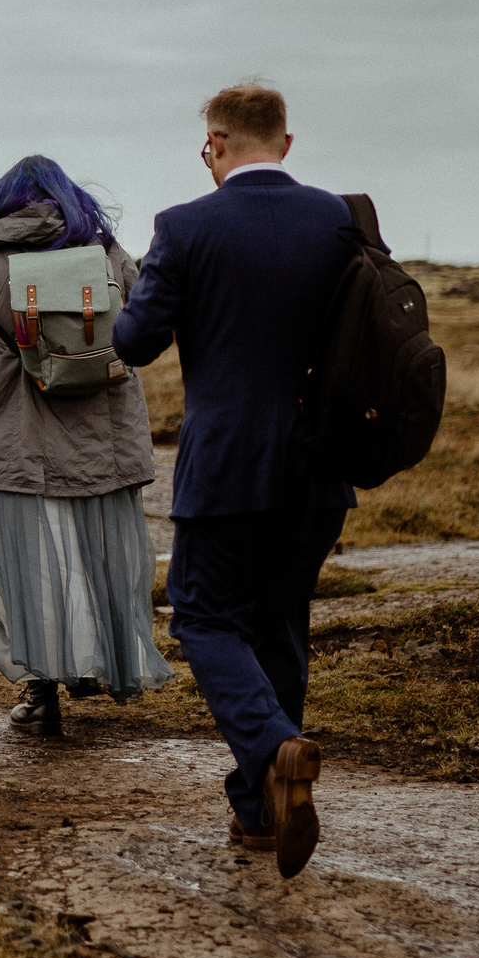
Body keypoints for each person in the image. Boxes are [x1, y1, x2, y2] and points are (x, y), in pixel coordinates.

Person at [112, 82, 356, 879]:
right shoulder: (341, 219)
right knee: (280, 619)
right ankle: (259, 811)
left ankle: (275, 749)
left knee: (205, 617)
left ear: (214, 145)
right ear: (286, 144)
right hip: (320, 466)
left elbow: (137, 342)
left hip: (225, 465)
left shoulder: (184, 226)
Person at [0, 156, 170, 727]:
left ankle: (39, 687)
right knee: (88, 554)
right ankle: (92, 666)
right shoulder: (105, 250)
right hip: (100, 433)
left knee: (21, 563)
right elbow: (139, 319)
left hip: (4, 436)